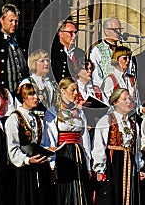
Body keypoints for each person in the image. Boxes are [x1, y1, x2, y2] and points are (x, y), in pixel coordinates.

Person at [41, 77, 92, 205]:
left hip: (78, 155)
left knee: (80, 190)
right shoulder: (53, 112)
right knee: (65, 191)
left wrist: (88, 165)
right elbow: (51, 139)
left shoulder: (79, 113)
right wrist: (52, 165)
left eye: (77, 90)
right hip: (63, 155)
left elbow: (85, 139)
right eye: (72, 90)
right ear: (63, 91)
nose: (75, 93)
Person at [92, 88, 144, 205]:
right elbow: (99, 147)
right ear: (115, 102)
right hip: (113, 164)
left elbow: (136, 149)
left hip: (129, 164)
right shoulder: (106, 120)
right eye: (124, 99)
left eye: (129, 99)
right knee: (112, 196)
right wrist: (99, 169)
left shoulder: (133, 124)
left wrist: (139, 167)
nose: (128, 101)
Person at [4, 83, 53, 205]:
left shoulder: (38, 119)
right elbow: (12, 147)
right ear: (23, 97)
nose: (36, 97)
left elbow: (40, 142)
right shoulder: (14, 119)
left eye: (36, 94)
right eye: (31, 94)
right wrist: (26, 160)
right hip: (21, 172)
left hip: (38, 168)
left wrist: (48, 150)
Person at [0, 4, 29, 96]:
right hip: (3, 92)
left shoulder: (22, 41)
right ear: (2, 20)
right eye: (10, 21)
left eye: (16, 21)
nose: (14, 24)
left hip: (23, 94)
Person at [18, 49, 58, 117]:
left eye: (47, 60)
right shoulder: (27, 82)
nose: (46, 63)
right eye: (42, 61)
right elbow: (20, 105)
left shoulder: (51, 83)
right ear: (34, 63)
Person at [89, 17, 123, 88]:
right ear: (106, 31)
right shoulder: (97, 50)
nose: (119, 32)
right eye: (115, 29)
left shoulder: (123, 50)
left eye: (120, 29)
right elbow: (96, 75)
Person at [50, 19, 85, 84]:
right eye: (70, 32)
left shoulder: (81, 53)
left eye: (75, 32)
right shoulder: (53, 53)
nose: (74, 36)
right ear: (61, 34)